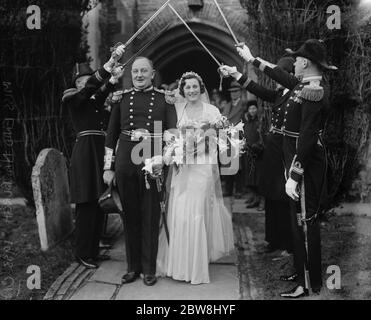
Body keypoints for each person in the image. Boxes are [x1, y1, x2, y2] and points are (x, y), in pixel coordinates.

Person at [236, 39, 336, 297]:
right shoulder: (305, 85)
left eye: (299, 60)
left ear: (305, 62)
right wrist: (251, 59)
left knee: (305, 223)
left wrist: (294, 174)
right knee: (298, 222)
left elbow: (307, 139)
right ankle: (304, 273)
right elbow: (279, 75)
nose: (295, 65)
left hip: (304, 165)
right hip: (294, 162)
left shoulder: (314, 90)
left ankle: (306, 283)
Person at [103, 56, 177, 286]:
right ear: (130, 74)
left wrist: (164, 160)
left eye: (144, 71)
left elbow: (173, 135)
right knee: (130, 216)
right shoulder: (121, 99)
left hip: (153, 163)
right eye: (135, 71)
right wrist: (108, 167)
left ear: (152, 73)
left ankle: (149, 268)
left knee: (150, 216)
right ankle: (132, 267)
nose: (139, 75)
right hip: (125, 163)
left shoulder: (165, 99)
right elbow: (110, 135)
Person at [156, 72, 235, 285]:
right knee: (179, 212)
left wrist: (203, 143)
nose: (191, 90)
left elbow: (222, 138)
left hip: (203, 168)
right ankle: (178, 266)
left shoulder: (212, 111)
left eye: (194, 87)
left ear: (201, 89)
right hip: (182, 168)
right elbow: (168, 133)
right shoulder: (177, 110)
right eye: (187, 87)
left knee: (197, 212)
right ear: (182, 90)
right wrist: (175, 147)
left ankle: (196, 268)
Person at [220, 56, 295, 256]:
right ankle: (274, 240)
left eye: (282, 74)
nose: (277, 79)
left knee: (283, 197)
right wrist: (236, 73)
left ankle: (287, 242)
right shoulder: (280, 94)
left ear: (291, 75)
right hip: (273, 150)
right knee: (271, 195)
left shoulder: (297, 93)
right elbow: (256, 89)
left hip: (286, 152)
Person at [61, 45, 125, 268]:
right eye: (81, 81)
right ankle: (82, 253)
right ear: (75, 85)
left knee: (99, 204)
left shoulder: (92, 101)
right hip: (85, 156)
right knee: (86, 206)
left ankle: (93, 250)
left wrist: (114, 79)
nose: (85, 83)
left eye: (87, 79)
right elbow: (90, 90)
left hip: (98, 154)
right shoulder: (73, 99)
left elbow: (100, 93)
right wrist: (108, 66)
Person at [222, 80, 246, 198]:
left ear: (240, 92)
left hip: (238, 137)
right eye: (232, 92)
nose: (233, 94)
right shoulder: (227, 105)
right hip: (226, 137)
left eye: (236, 91)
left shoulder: (244, 105)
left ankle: (239, 190)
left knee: (238, 166)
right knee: (227, 164)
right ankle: (228, 189)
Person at [243, 100, 264, 210]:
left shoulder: (260, 121)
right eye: (250, 108)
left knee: (259, 178)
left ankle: (262, 200)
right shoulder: (247, 121)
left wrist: (257, 146)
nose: (252, 110)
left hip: (258, 153)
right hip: (249, 152)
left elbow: (262, 136)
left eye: (254, 108)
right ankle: (255, 198)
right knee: (251, 177)